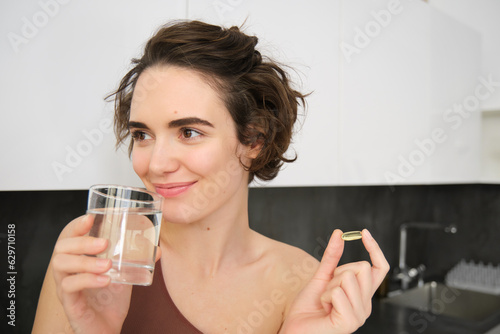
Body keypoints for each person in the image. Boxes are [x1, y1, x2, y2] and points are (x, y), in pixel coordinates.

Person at [33, 20, 389, 334]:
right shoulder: (98, 250)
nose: (156, 164)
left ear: (253, 139)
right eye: (142, 134)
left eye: (188, 132)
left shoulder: (302, 280)